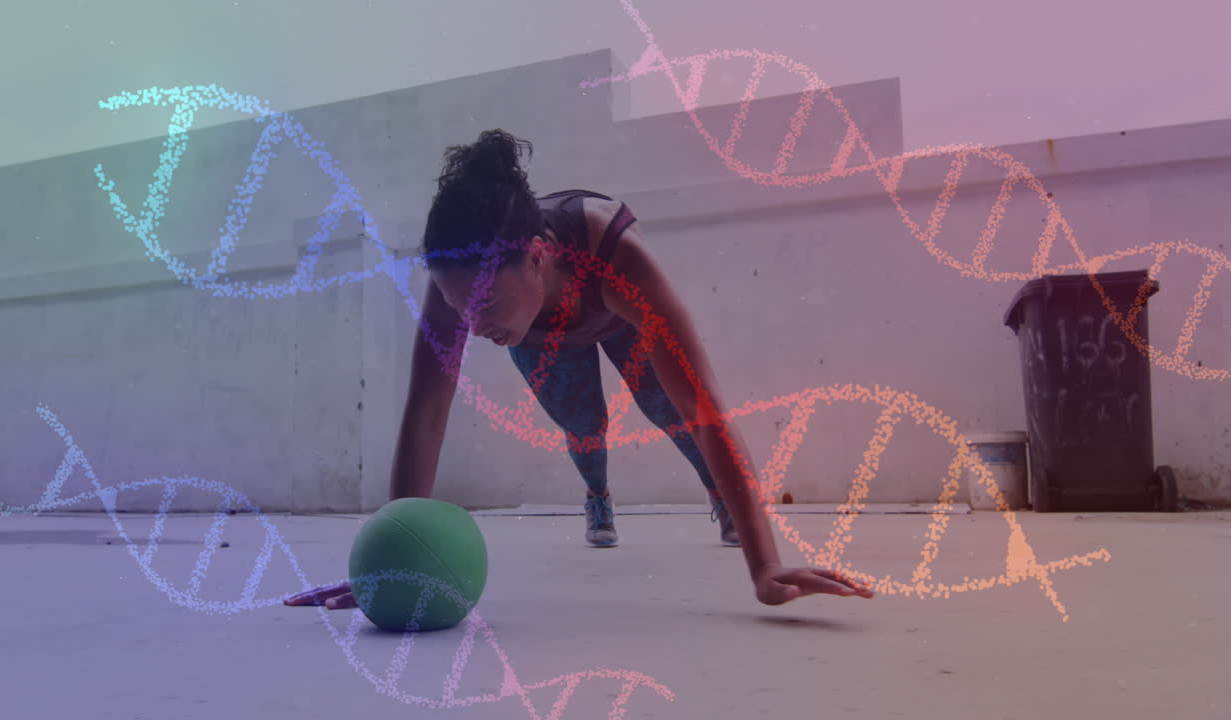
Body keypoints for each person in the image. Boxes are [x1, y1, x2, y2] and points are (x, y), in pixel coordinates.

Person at [286, 130, 873, 609]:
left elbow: (704, 406)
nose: (474, 323)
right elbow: (426, 415)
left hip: (616, 318)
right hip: (542, 334)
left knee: (670, 410)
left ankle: (717, 493)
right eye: (463, 308)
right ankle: (598, 494)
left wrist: (765, 564)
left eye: (485, 306)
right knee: (583, 426)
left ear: (538, 256)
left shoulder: (616, 256)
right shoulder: (459, 286)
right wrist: (392, 563)